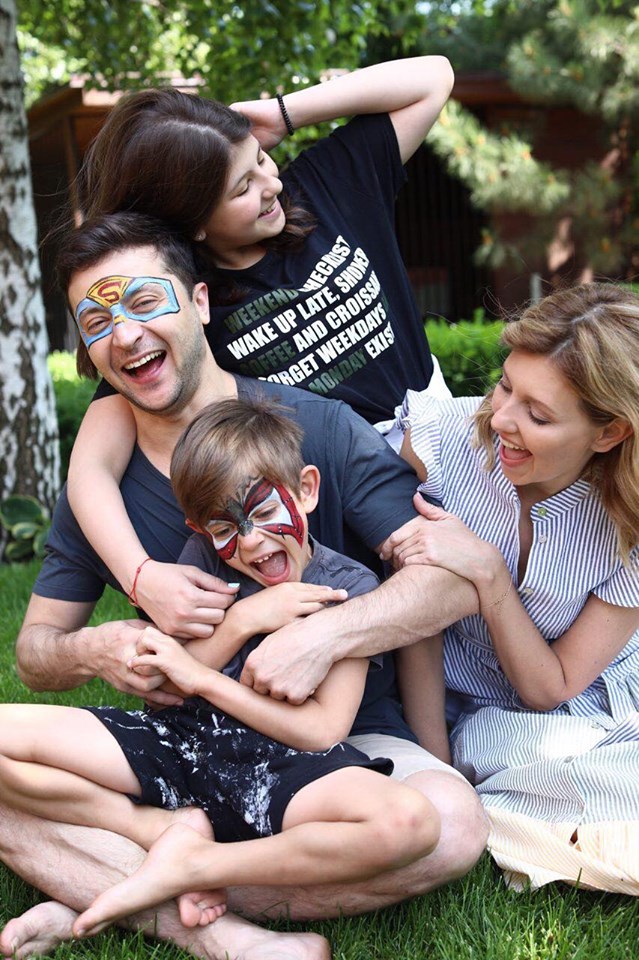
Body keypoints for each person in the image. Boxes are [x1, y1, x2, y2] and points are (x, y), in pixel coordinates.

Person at [0, 212, 486, 960]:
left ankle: (98, 881)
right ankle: (216, 927)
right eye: (96, 322)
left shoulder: (314, 429)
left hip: (345, 741)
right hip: (191, 738)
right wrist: (93, 650)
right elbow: (36, 653)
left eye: (145, 302)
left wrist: (325, 634)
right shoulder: (100, 486)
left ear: (198, 301)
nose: (125, 336)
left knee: (448, 827)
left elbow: (451, 580)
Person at [0, 396, 440, 943]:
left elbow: (322, 731)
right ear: (201, 528)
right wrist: (243, 620)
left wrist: (205, 681)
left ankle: (195, 865)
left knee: (410, 822)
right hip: (181, 742)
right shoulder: (207, 556)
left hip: (286, 769)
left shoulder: (347, 587)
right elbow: (166, 679)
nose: (250, 540)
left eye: (263, 511)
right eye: (225, 526)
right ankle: (157, 829)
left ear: (306, 489)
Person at [64, 55, 456, 635]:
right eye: (242, 186)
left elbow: (434, 79)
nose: (270, 184)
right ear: (193, 223)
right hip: (349, 491)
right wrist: (140, 577)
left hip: (451, 445)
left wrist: (280, 115)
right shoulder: (184, 307)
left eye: (262, 161)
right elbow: (90, 470)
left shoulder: (324, 188)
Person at [382, 282, 639, 894]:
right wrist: (436, 767)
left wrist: (490, 574)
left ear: (609, 434)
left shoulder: (629, 522)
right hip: (472, 711)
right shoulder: (439, 443)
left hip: (581, 699)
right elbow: (410, 608)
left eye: (538, 415)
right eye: (504, 386)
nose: (501, 419)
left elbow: (551, 687)